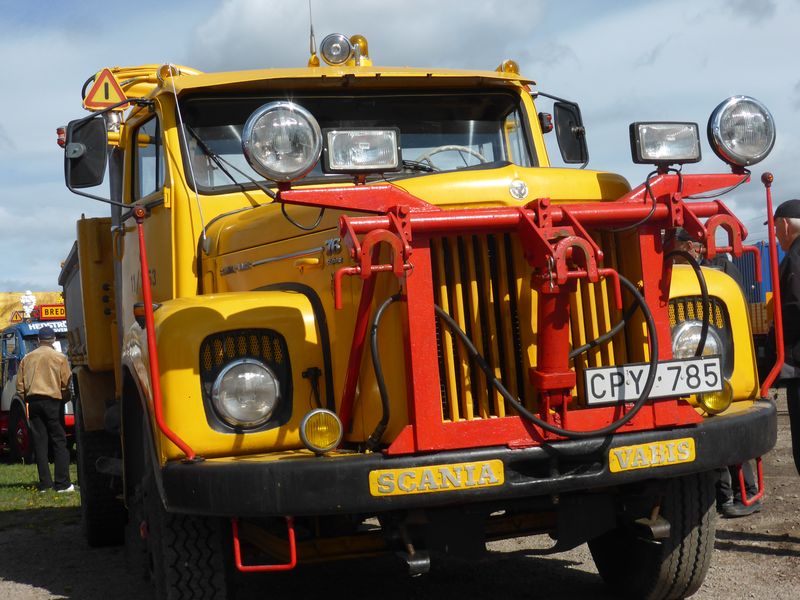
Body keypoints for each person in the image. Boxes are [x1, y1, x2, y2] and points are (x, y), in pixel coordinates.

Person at [665, 227, 760, 517]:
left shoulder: (721, 271)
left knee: (728, 428)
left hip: (720, 354)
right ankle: (724, 496)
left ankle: (746, 493)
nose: (670, 254)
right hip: (693, 353)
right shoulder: (675, 276)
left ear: (689, 246)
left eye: (673, 247)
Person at [16, 326, 74, 492]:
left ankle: (45, 484)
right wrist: (64, 399)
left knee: (39, 443)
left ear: (38, 340)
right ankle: (62, 484)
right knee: (59, 441)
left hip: (33, 402)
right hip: (53, 401)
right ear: (54, 340)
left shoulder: (27, 359)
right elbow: (66, 383)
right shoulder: (60, 357)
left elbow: (19, 386)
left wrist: (27, 399)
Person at [768, 199, 800, 477]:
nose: (776, 235)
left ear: (785, 225)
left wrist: (773, 349)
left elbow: (793, 308)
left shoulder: (794, 259)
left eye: (776, 228)